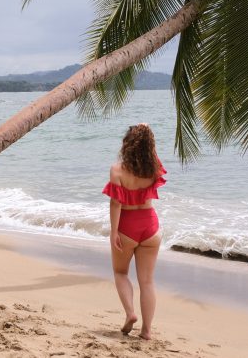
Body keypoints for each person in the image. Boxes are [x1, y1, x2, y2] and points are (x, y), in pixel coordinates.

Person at [103, 123, 166, 340]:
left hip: (127, 227)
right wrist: (146, 132)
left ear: (126, 144)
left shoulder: (117, 170)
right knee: (147, 281)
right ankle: (147, 331)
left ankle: (130, 313)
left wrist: (114, 232)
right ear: (149, 146)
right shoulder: (154, 168)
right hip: (150, 226)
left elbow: (115, 204)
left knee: (121, 273)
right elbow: (151, 151)